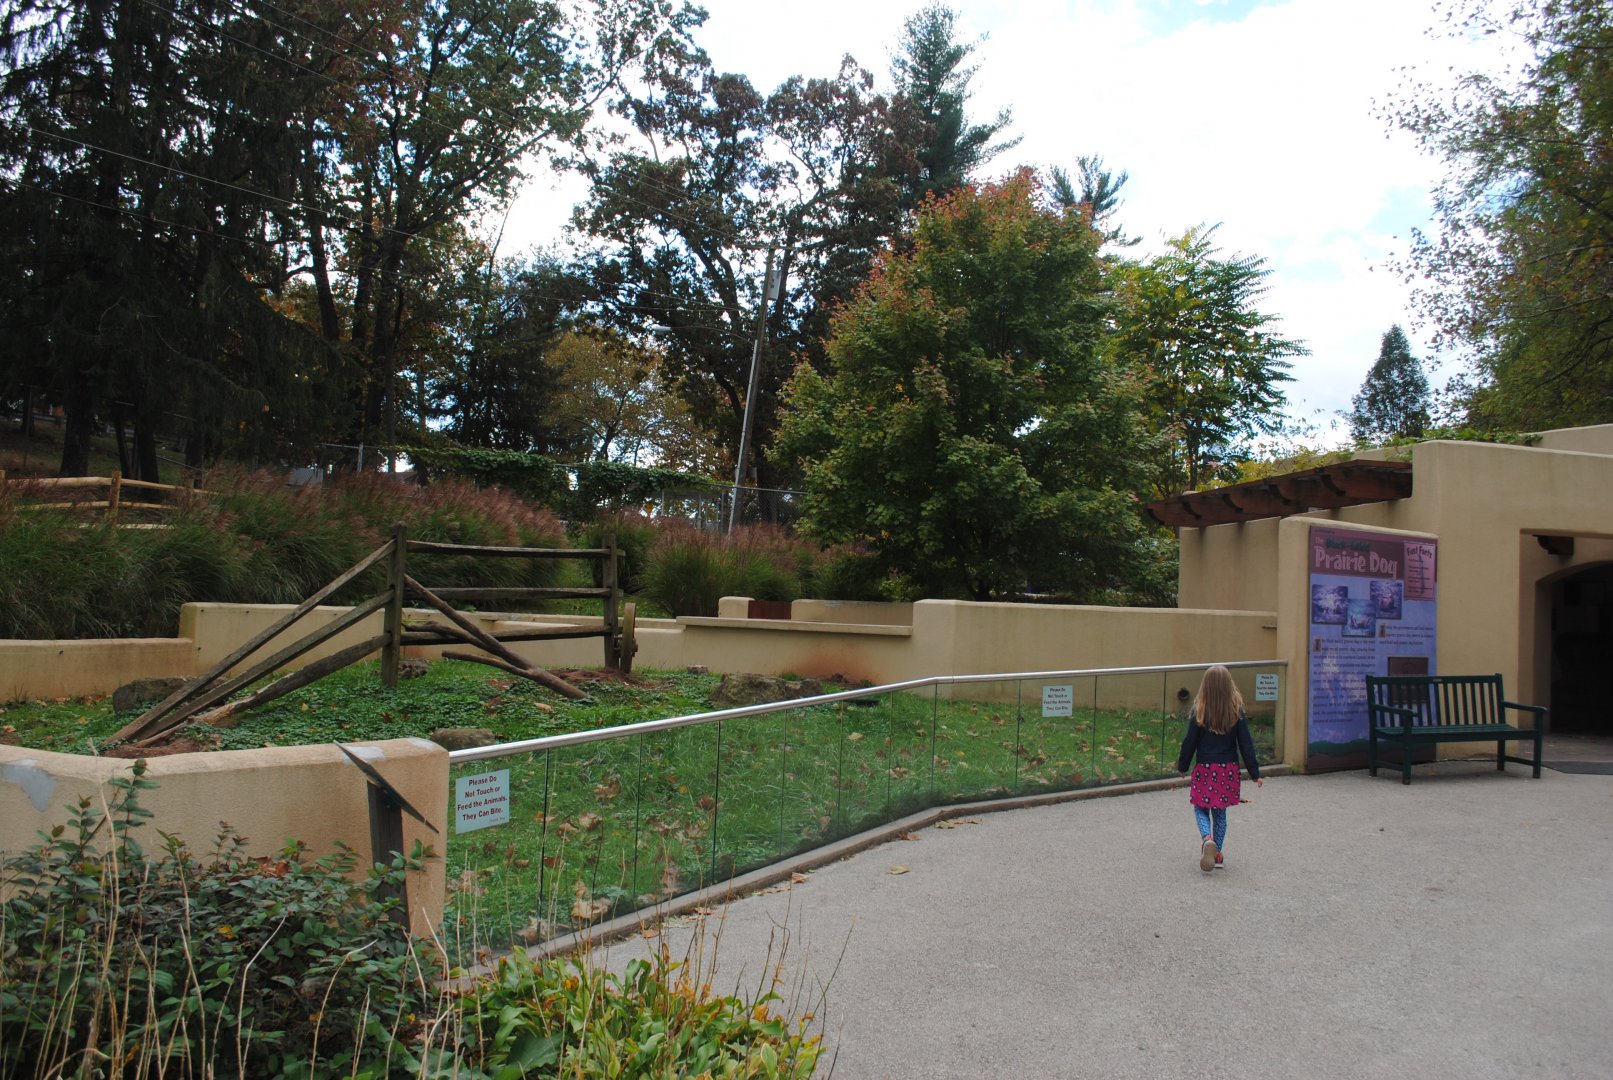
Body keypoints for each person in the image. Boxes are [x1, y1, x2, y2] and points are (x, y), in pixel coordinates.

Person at [1176, 665, 1263, 872]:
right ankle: (1218, 853)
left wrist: (1183, 766)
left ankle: (1207, 839)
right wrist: (1254, 773)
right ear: (1228, 685)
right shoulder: (1236, 711)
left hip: (1205, 768)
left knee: (1200, 806)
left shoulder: (1199, 711)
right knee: (1220, 813)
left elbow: (1190, 741)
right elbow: (1246, 743)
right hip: (1228, 770)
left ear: (1205, 686)